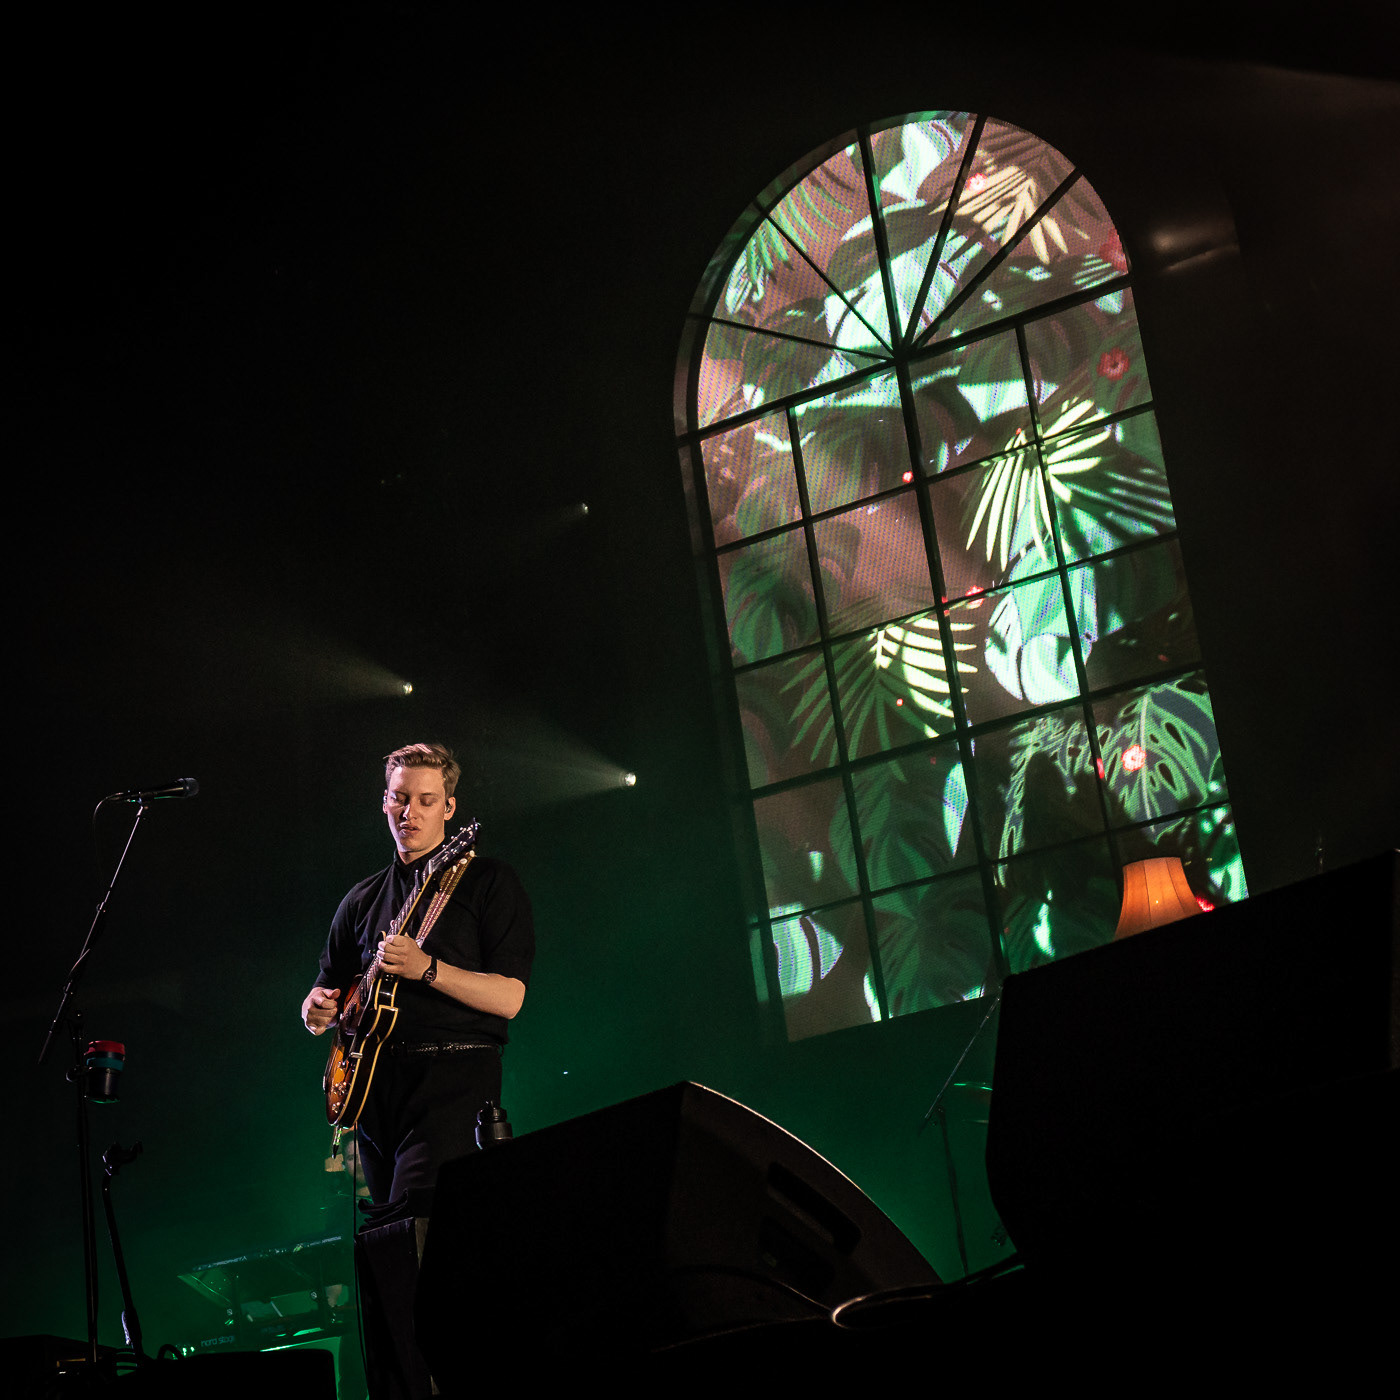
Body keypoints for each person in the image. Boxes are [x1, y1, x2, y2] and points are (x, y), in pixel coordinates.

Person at [301, 742, 534, 1215]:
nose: (410, 812)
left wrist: (427, 969)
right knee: (390, 1233)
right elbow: (326, 988)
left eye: (426, 801)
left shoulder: (488, 881)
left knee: (420, 1219)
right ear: (384, 802)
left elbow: (510, 998)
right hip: (373, 1088)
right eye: (400, 798)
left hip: (454, 1079)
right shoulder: (361, 899)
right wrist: (315, 1010)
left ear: (449, 808)